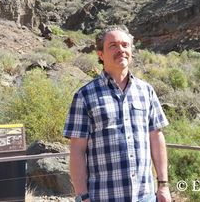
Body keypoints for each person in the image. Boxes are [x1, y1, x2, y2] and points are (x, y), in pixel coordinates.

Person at [63, 25, 172, 202]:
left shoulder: (146, 91)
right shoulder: (84, 96)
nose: (120, 50)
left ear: (131, 51)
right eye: (113, 46)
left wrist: (163, 185)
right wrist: (82, 196)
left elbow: (156, 137)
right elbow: (77, 150)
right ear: (100, 54)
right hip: (104, 197)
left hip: (145, 196)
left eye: (125, 45)